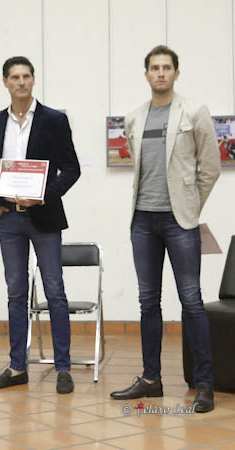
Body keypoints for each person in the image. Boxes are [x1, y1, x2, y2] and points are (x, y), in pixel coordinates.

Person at [109, 45, 220, 413]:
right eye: (154, 68)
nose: (160, 73)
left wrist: (190, 207)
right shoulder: (134, 118)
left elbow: (210, 167)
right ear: (146, 74)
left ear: (176, 73)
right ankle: (151, 379)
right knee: (148, 302)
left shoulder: (194, 112)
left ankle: (204, 383)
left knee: (191, 301)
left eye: (166, 68)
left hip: (179, 221)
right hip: (142, 220)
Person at [0, 56, 80, 393]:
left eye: (26, 76)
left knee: (55, 292)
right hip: (8, 218)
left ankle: (63, 368)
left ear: (33, 80)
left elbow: (72, 169)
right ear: (5, 82)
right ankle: (17, 367)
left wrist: (44, 196)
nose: (21, 82)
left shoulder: (54, 120)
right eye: (15, 77)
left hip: (44, 216)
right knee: (15, 293)